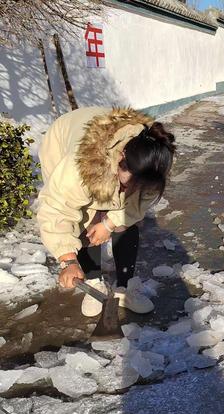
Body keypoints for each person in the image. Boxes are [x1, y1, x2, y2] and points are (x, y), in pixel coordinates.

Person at [37, 107, 176, 316]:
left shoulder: (154, 160)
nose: (133, 191)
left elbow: (135, 208)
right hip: (64, 142)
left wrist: (109, 223)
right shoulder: (77, 168)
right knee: (85, 219)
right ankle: (94, 283)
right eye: (129, 184)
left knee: (125, 224)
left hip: (114, 160)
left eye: (141, 187)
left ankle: (124, 287)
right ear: (121, 158)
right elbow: (56, 209)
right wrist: (68, 260)